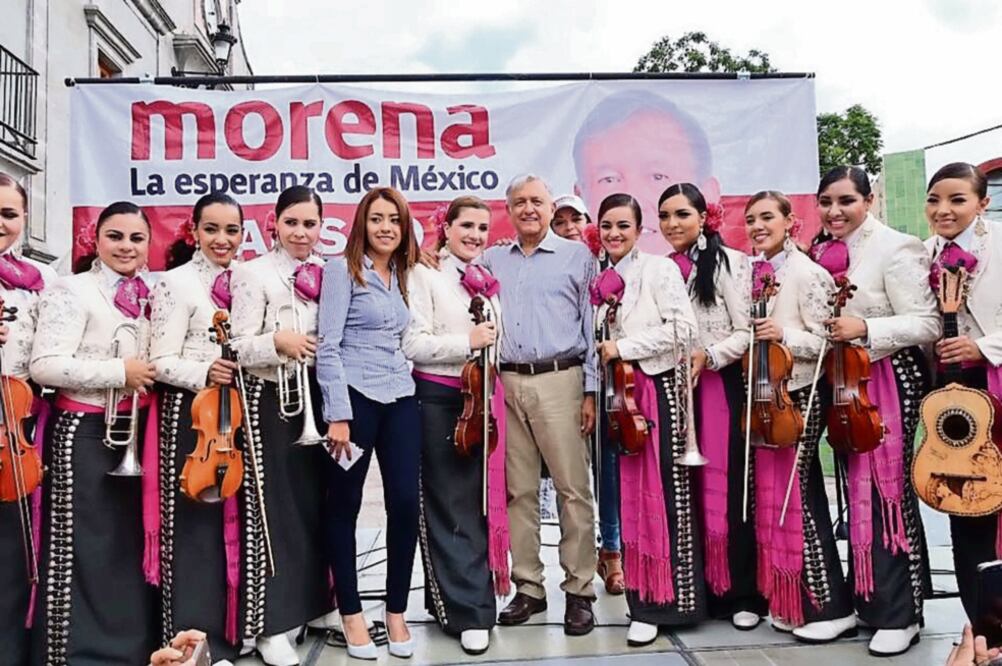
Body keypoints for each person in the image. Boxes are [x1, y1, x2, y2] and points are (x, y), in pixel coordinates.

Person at [811, 165, 938, 656]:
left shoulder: (895, 246)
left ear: (868, 200)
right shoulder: (822, 250)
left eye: (846, 200)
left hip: (886, 376)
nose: (834, 211)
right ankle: (865, 600)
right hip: (845, 380)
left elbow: (926, 322)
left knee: (889, 493)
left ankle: (901, 614)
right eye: (826, 202)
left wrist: (865, 328)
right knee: (854, 493)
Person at [30, 201, 159, 665]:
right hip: (84, 433)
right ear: (96, 240)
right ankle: (77, 654)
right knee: (84, 545)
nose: (126, 247)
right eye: (115, 236)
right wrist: (118, 371)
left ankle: (130, 649)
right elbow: (44, 365)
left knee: (127, 545)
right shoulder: (72, 290)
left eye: (136, 238)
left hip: (137, 432)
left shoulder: (154, 291)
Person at [483, 174, 599, 636]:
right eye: (519, 202)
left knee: (573, 490)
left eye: (536, 201)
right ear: (508, 210)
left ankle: (580, 590)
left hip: (561, 380)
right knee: (520, 491)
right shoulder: (493, 259)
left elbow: (592, 326)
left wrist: (591, 390)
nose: (528, 209)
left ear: (551, 209)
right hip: (507, 382)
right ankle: (529, 587)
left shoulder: (579, 257)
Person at [589, 193, 703, 646]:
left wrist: (624, 347)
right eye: (607, 225)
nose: (614, 233)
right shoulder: (600, 278)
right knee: (629, 500)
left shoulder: (658, 270)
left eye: (623, 225)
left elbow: (684, 329)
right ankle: (642, 599)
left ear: (639, 230)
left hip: (654, 392)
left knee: (664, 495)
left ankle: (668, 603)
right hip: (618, 396)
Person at [743, 191, 855, 643]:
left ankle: (831, 606)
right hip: (767, 395)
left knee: (802, 497)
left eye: (767, 217)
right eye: (751, 219)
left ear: (790, 221)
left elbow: (829, 341)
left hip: (801, 395)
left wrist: (783, 334)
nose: (757, 226)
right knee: (774, 501)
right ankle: (791, 600)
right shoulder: (757, 272)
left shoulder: (808, 273)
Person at [230, 186, 333, 666]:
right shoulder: (252, 273)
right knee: (273, 512)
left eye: (310, 224)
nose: (300, 232)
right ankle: (272, 623)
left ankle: (317, 605)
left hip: (320, 396)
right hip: (271, 398)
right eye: (292, 222)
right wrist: (277, 341)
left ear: (321, 227)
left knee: (318, 506)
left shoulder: (329, 272)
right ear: (274, 223)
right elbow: (237, 345)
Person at [317, 187, 421, 660]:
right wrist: (337, 414)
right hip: (354, 401)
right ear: (362, 223)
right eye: (377, 218)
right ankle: (351, 613)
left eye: (394, 220)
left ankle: (395, 611)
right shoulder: (341, 270)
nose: (386, 227)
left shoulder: (402, 273)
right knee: (344, 504)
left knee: (405, 502)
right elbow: (328, 345)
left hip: (400, 395)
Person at [657, 183, 768, 630]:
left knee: (729, 487)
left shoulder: (729, 263)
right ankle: (700, 589)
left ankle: (742, 594)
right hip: (677, 389)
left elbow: (749, 331)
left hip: (719, 386)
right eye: (665, 216)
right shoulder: (663, 269)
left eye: (682, 214)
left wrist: (712, 355)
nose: (672, 224)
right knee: (688, 491)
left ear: (704, 218)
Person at [401, 195, 507, 655]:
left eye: (482, 228)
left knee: (475, 504)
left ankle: (451, 599)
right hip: (439, 399)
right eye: (466, 226)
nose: (475, 235)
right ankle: (468, 612)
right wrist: (468, 341)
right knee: (449, 504)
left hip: (481, 397)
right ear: (445, 227)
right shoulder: (423, 274)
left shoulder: (483, 278)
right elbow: (413, 343)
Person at [148, 192, 246, 663]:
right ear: (194, 231)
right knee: (190, 532)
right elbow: (159, 359)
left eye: (231, 230)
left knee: (231, 530)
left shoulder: (244, 280)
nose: (222, 239)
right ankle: (188, 643)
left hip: (233, 418)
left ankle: (229, 637)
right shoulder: (175, 283)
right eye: (211, 229)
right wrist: (203, 371)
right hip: (191, 417)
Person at [922, 163, 1001, 623]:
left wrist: (982, 347)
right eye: (934, 200)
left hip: (997, 384)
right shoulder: (924, 253)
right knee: (961, 501)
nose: (943, 210)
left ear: (982, 203)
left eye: (957, 200)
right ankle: (980, 626)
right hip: (949, 393)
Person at [551, 192, 624, 596]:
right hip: (562, 381)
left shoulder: (609, 265)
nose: (568, 229)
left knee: (609, 468)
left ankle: (612, 550)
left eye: (575, 220)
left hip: (612, 382)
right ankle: (577, 557)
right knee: (571, 477)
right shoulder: (549, 265)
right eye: (559, 222)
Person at [0, 173, 56, 666]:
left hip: (17, 423)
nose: (0, 223)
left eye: (8, 213)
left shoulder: (43, 281)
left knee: (15, 543)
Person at [572, 90, 723, 255]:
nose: (633, 202)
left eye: (658, 177)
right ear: (580, 197)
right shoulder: (571, 269)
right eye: (609, 179)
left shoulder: (734, 266)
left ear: (707, 195)